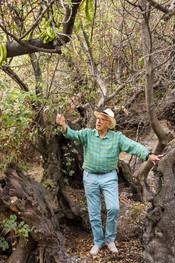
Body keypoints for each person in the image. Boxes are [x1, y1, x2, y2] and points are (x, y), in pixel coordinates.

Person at [55, 108, 162, 255]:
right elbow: (72, 134)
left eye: (102, 119)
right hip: (90, 177)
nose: (98, 121)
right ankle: (98, 242)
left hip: (109, 177)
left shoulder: (117, 138)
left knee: (114, 208)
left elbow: (133, 146)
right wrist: (62, 125)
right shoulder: (88, 134)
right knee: (94, 212)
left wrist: (149, 154)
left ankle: (110, 240)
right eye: (98, 118)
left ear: (109, 123)